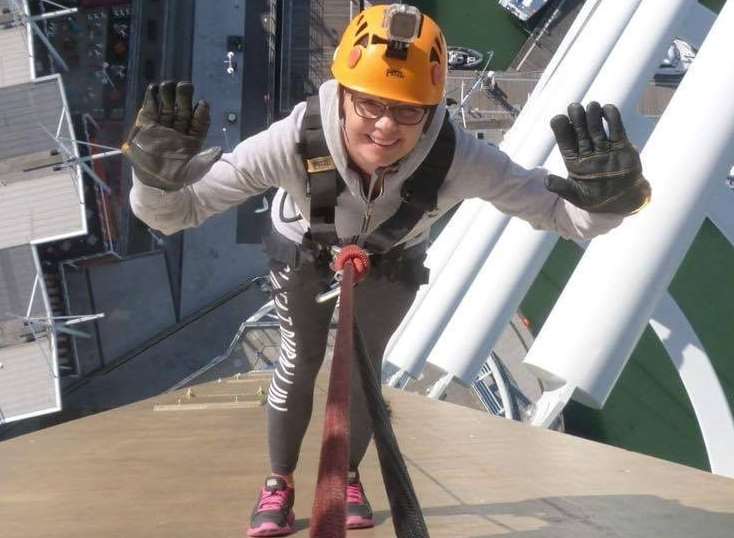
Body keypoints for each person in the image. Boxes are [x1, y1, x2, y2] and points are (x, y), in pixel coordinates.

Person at [123, 4, 650, 536]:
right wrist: (153, 181)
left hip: (391, 261)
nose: (383, 125)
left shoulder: (459, 157)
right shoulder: (293, 140)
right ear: (343, 95)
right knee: (299, 359)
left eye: (406, 111)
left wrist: (610, 200)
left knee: (362, 371)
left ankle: (345, 473)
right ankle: (279, 481)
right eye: (369, 104)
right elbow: (179, 213)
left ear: (430, 109)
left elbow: (562, 214)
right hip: (305, 251)